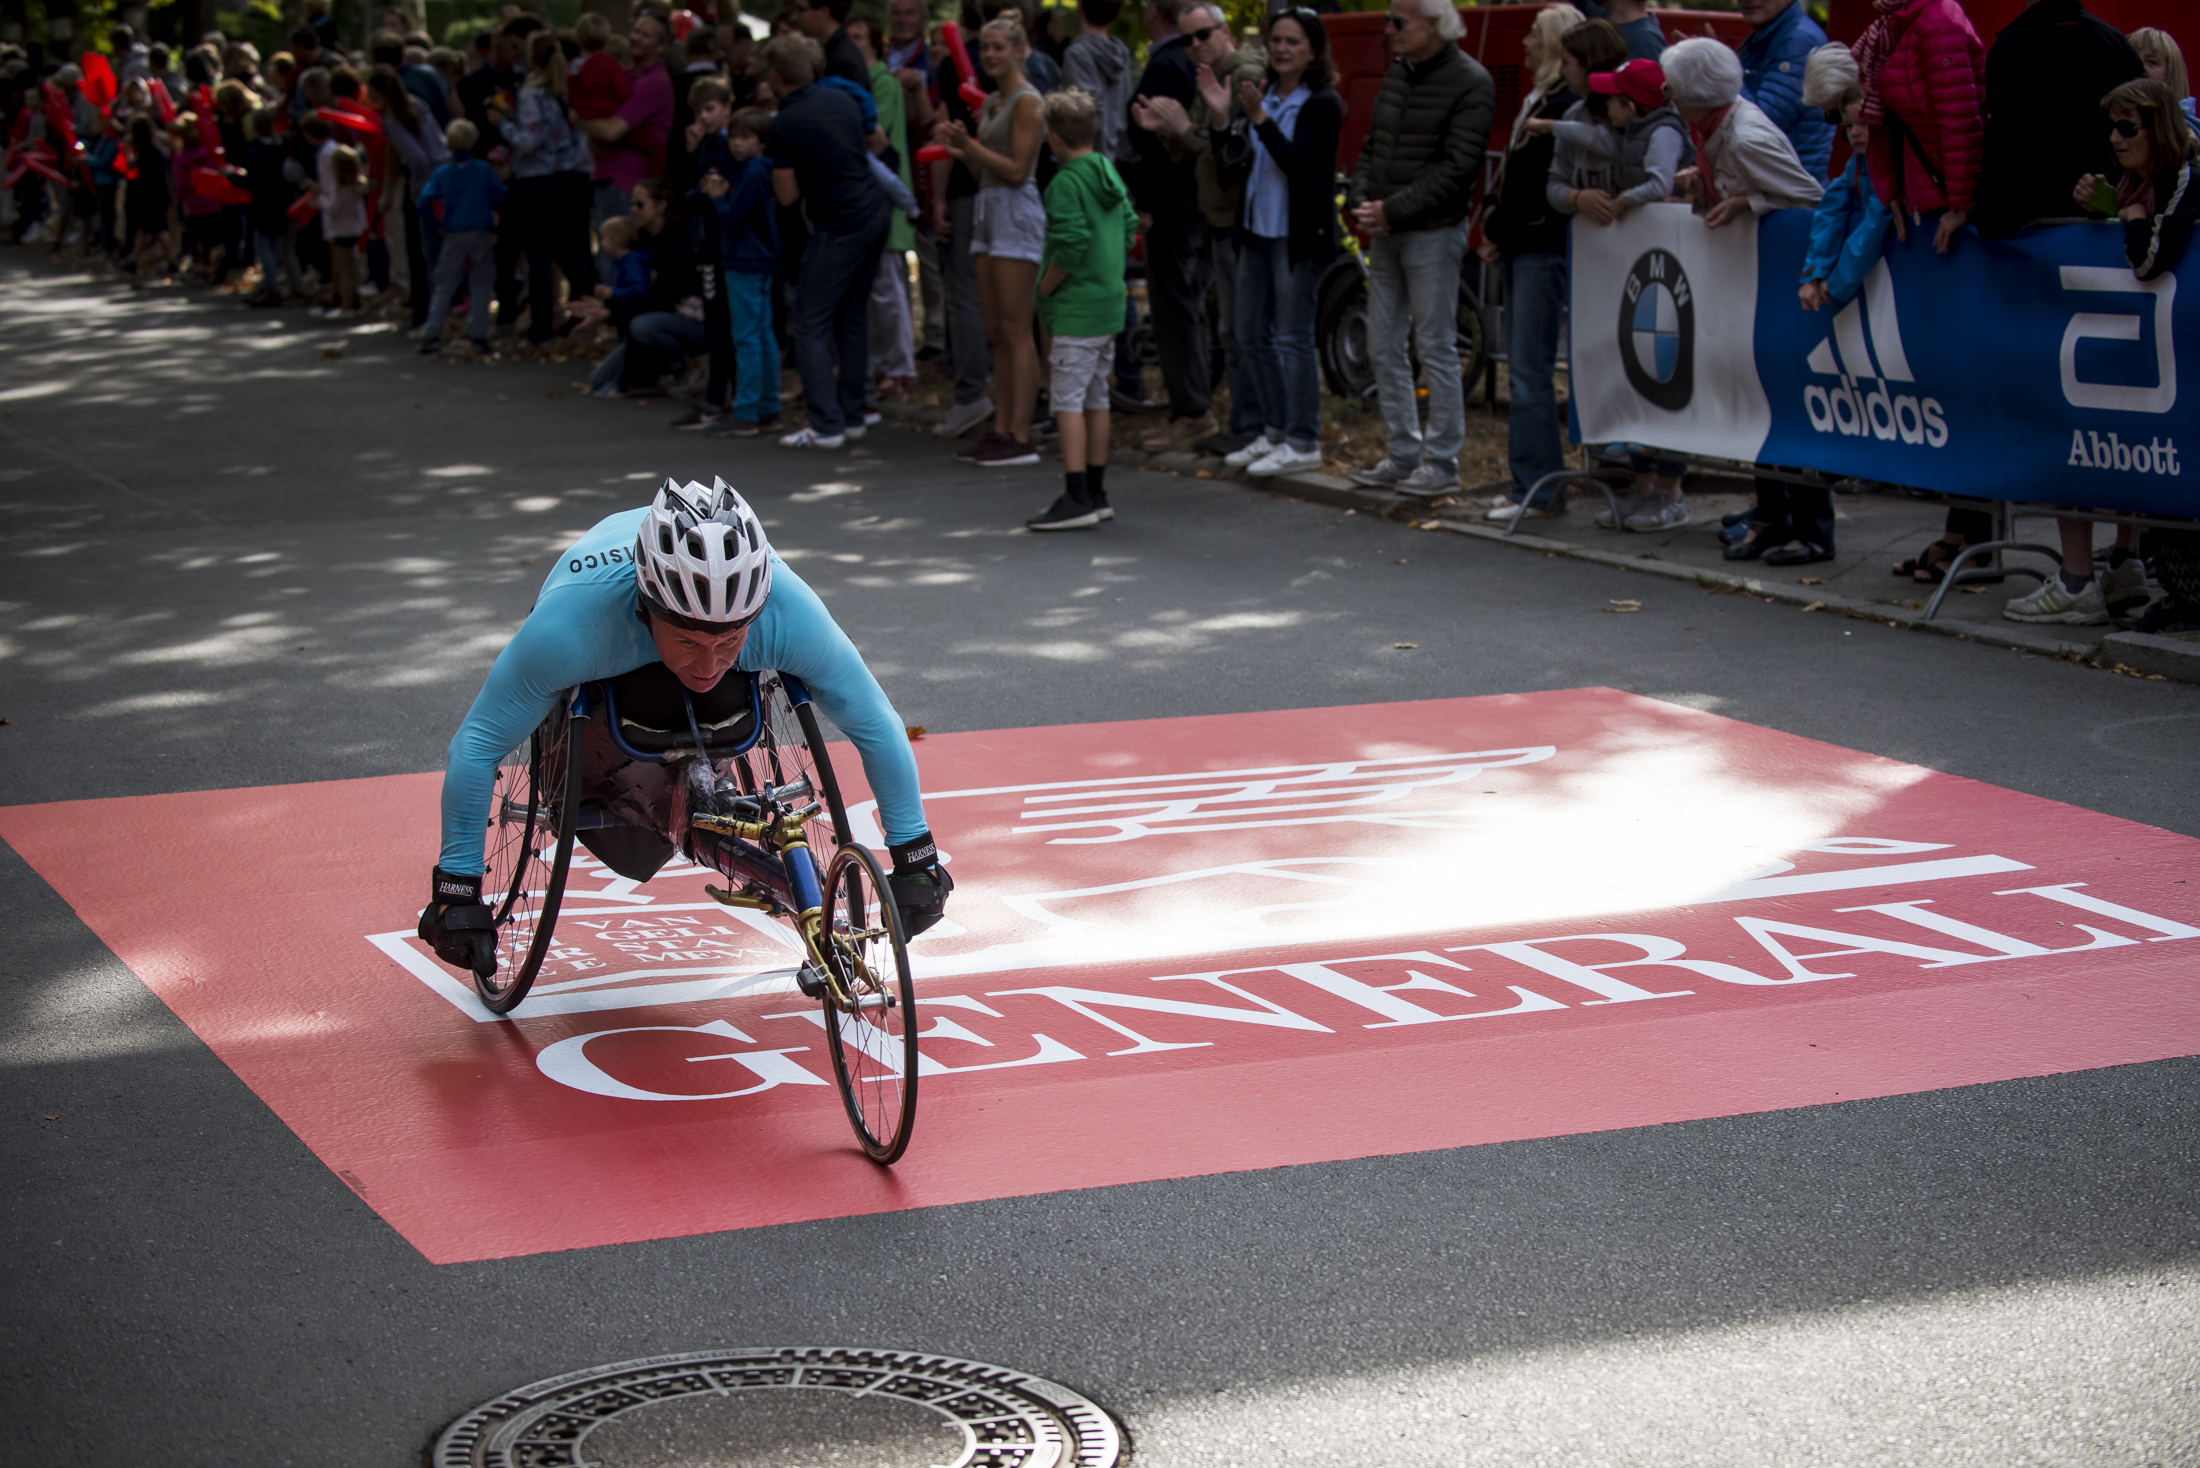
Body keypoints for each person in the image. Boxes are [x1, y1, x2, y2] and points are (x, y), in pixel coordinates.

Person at [416, 479, 952, 982]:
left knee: (715, 686)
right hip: (601, 621)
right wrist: (456, 889)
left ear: (755, 614)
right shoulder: (572, 629)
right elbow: (480, 742)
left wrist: (915, 857)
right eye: (690, 641)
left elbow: (876, 723)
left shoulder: (787, 614)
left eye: (730, 641)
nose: (710, 662)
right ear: (648, 612)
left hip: (691, 626)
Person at [2002, 78, 2198, 627]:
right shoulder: (2139, 175)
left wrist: (2130, 216)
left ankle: (2102, 574)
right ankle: (2117, 569)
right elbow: (2126, 226)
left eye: (2127, 127)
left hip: (2174, 358)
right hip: (2141, 351)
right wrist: (2105, 205)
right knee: (2097, 446)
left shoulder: (2184, 175)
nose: (2114, 138)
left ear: (2158, 128)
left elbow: (2148, 258)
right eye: (2111, 126)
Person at [1344, 0, 1495, 499]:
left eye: (1398, 22)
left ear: (1432, 24)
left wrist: (1393, 209)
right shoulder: (1398, 75)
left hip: (1431, 229)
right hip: (1389, 227)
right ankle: (1404, 453)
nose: (1388, 30)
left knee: (1434, 344)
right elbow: (1373, 145)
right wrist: (1365, 200)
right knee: (1382, 342)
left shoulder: (1471, 81)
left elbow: (1457, 168)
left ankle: (1442, 460)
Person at [1136, 3, 1268, 457]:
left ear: (1225, 31)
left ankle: (1252, 423)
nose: (1195, 46)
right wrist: (1168, 130)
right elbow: (1198, 151)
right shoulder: (1201, 73)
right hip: (1214, 215)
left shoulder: (1240, 72)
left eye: (1204, 35)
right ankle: (1241, 422)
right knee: (1228, 326)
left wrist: (1182, 129)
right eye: (1187, 38)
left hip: (1233, 218)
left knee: (1243, 328)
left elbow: (1225, 151)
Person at [1220, 7, 1341, 480]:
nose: (1282, 49)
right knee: (1250, 332)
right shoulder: (1264, 92)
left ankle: (1303, 437)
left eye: (1293, 41)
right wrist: (1224, 117)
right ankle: (1273, 430)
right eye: (1276, 40)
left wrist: (1260, 119)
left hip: (1295, 234)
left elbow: (1300, 162)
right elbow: (1242, 157)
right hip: (1257, 228)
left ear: (1312, 50)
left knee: (1293, 337)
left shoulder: (1322, 102)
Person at [1477, 5, 1583, 522]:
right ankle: (1529, 482)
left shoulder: (1563, 106)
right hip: (1523, 244)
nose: (1524, 43)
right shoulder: (1540, 99)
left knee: (1530, 372)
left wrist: (1495, 227)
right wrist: (1494, 217)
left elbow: (1537, 186)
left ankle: (1540, 490)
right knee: (1525, 370)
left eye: (1534, 36)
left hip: (1541, 248)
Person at [767, 34, 893, 450]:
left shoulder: (785, 123)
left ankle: (825, 423)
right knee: (851, 316)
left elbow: (786, 195)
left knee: (811, 322)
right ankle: (852, 413)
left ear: (776, 75)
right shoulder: (841, 99)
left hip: (838, 222)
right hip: (873, 209)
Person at [935, 13, 1047, 466]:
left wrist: (971, 145)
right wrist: (964, 150)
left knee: (1018, 329)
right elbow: (986, 168)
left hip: (1016, 214)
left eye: (1000, 47)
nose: (991, 55)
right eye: (986, 48)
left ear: (1020, 50)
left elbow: (1019, 170)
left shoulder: (1027, 101)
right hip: (988, 209)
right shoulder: (996, 103)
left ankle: (1020, 432)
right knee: (997, 330)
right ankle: (1001, 427)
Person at [1023, 87, 1135, 529]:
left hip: (1076, 308)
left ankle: (1076, 495)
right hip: (1108, 303)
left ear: (1053, 138)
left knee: (1067, 401)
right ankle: (1096, 488)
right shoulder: (1106, 170)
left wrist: (1045, 289)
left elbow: (1069, 246)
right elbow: (1127, 226)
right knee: (1096, 396)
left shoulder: (1066, 183)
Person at [1123, 0, 1215, 453]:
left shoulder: (1167, 65)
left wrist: (1146, 201)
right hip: (1198, 202)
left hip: (1174, 205)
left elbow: (1155, 147)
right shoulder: (1193, 63)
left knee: (1176, 307)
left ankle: (1191, 409)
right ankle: (1193, 405)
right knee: (1191, 303)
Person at [1973, 0, 2141, 238]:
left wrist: (1987, 217)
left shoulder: (2008, 48)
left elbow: (1999, 142)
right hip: (2104, 211)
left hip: (2027, 217)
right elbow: (2143, 134)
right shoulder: (2116, 43)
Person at [1849, 0, 1984, 255]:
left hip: (1950, 211)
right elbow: (1893, 122)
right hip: (1925, 205)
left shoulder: (1938, 21)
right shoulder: (1894, 25)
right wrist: (1897, 190)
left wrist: (1960, 205)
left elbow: (1959, 120)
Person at [506, 32, 599, 346]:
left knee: (539, 257)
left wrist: (502, 125)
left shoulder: (533, 94)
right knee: (571, 251)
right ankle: (593, 311)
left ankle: (541, 326)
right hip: (567, 178)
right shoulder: (565, 91)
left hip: (538, 182)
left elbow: (529, 141)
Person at [703, 107, 784, 435]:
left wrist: (718, 199)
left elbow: (734, 218)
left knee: (748, 335)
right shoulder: (764, 171)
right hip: (761, 259)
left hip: (744, 259)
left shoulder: (751, 175)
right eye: (734, 137)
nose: (737, 143)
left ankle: (748, 409)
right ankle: (769, 405)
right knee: (763, 333)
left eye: (745, 137)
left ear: (761, 141)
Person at [849, 16, 919, 403]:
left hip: (886, 199)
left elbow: (877, 137)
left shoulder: (883, 83)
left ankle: (902, 366)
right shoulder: (859, 81)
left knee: (890, 291)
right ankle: (880, 364)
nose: (854, 44)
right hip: (865, 201)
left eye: (861, 37)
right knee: (873, 292)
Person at [583, 9, 676, 264]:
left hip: (627, 184)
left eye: (646, 35)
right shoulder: (627, 76)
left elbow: (611, 129)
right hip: (607, 178)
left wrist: (578, 119)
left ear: (661, 45)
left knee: (615, 260)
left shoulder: (653, 82)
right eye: (636, 31)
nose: (636, 38)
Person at [416, 118, 507, 353]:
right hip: (480, 231)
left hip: (454, 232)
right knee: (481, 282)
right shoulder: (483, 170)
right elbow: (501, 194)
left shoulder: (442, 173)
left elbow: (424, 202)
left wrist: (437, 221)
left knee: (445, 283)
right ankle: (478, 333)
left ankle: (433, 331)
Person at [371, 64, 447, 329]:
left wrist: (417, 188)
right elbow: (437, 141)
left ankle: (425, 314)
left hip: (423, 184)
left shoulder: (392, 116)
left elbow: (415, 155)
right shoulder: (417, 104)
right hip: (441, 172)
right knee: (433, 251)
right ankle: (434, 312)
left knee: (420, 252)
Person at [1736, 0, 1832, 180]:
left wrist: (1722, 68)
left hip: (1791, 189)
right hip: (1774, 182)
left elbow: (1763, 125)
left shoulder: (1799, 40)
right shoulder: (1770, 35)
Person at [317, 141, 367, 316]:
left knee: (344, 270)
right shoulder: (356, 187)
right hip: (353, 229)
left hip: (342, 231)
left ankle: (346, 307)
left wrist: (321, 200)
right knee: (352, 269)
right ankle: (355, 302)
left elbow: (333, 210)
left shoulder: (344, 190)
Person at [2126, 29, 2198, 141]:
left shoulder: (2187, 135)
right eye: (2132, 57)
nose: (2138, 65)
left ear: (2171, 76)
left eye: (2151, 61)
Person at [570, 11, 634, 124]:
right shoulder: (610, 64)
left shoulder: (573, 66)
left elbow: (570, 93)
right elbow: (624, 91)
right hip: (607, 117)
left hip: (582, 118)